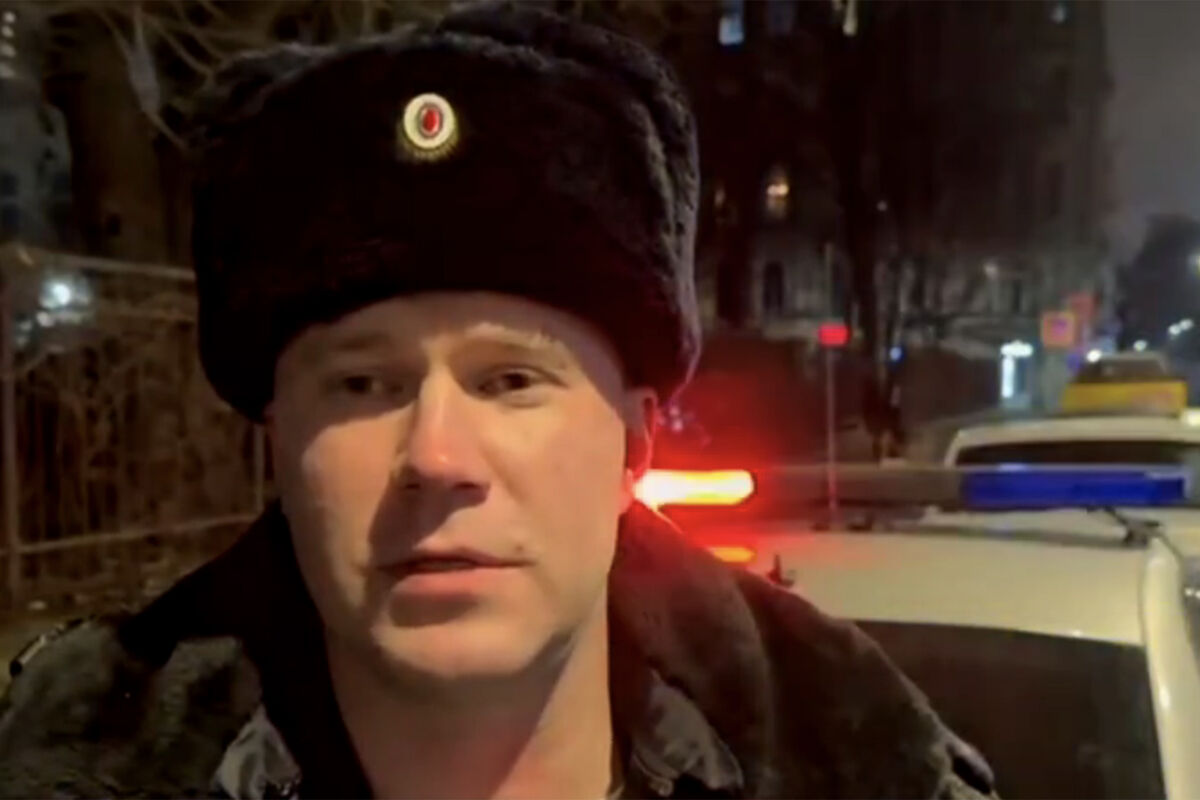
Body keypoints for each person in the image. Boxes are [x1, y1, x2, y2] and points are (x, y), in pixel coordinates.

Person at [0, 5, 995, 798]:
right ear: (278, 440)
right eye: (363, 384)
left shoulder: (865, 768)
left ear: (635, 446)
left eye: (511, 380)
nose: (437, 456)